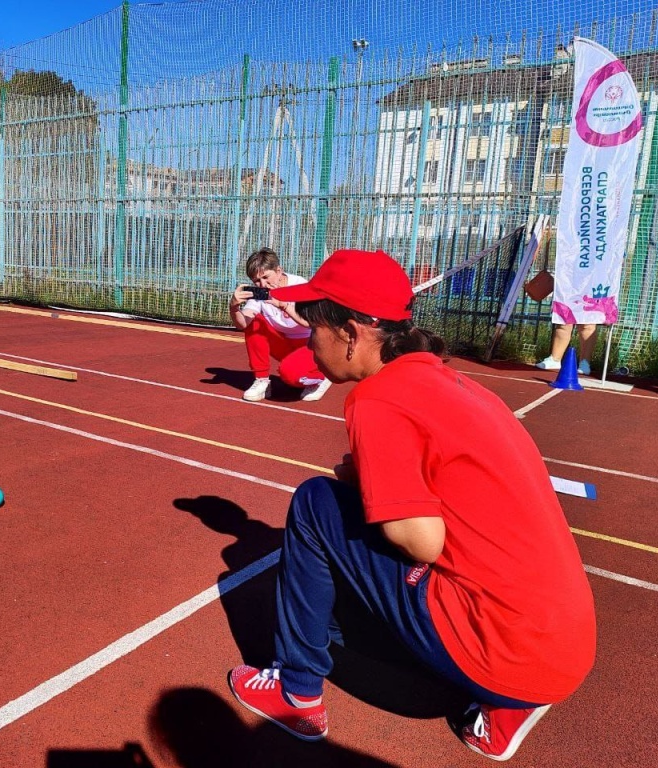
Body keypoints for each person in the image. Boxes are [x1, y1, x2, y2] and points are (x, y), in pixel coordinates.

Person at [227, 249, 596, 761]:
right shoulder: (460, 385)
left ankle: (297, 693)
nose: (309, 339)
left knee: (316, 504)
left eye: (313, 324)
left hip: (496, 648)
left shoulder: (377, 399)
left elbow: (422, 542)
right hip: (562, 648)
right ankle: (501, 709)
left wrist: (368, 490)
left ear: (351, 332)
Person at [229, 248, 331, 402]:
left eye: (266, 277)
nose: (262, 284)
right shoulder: (260, 293)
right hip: (284, 344)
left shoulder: (300, 286)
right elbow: (244, 324)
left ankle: (322, 376)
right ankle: (262, 380)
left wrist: (284, 306)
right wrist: (234, 307)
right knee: (255, 322)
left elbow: (314, 323)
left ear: (278, 271)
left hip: (311, 345)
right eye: (256, 281)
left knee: (290, 377)